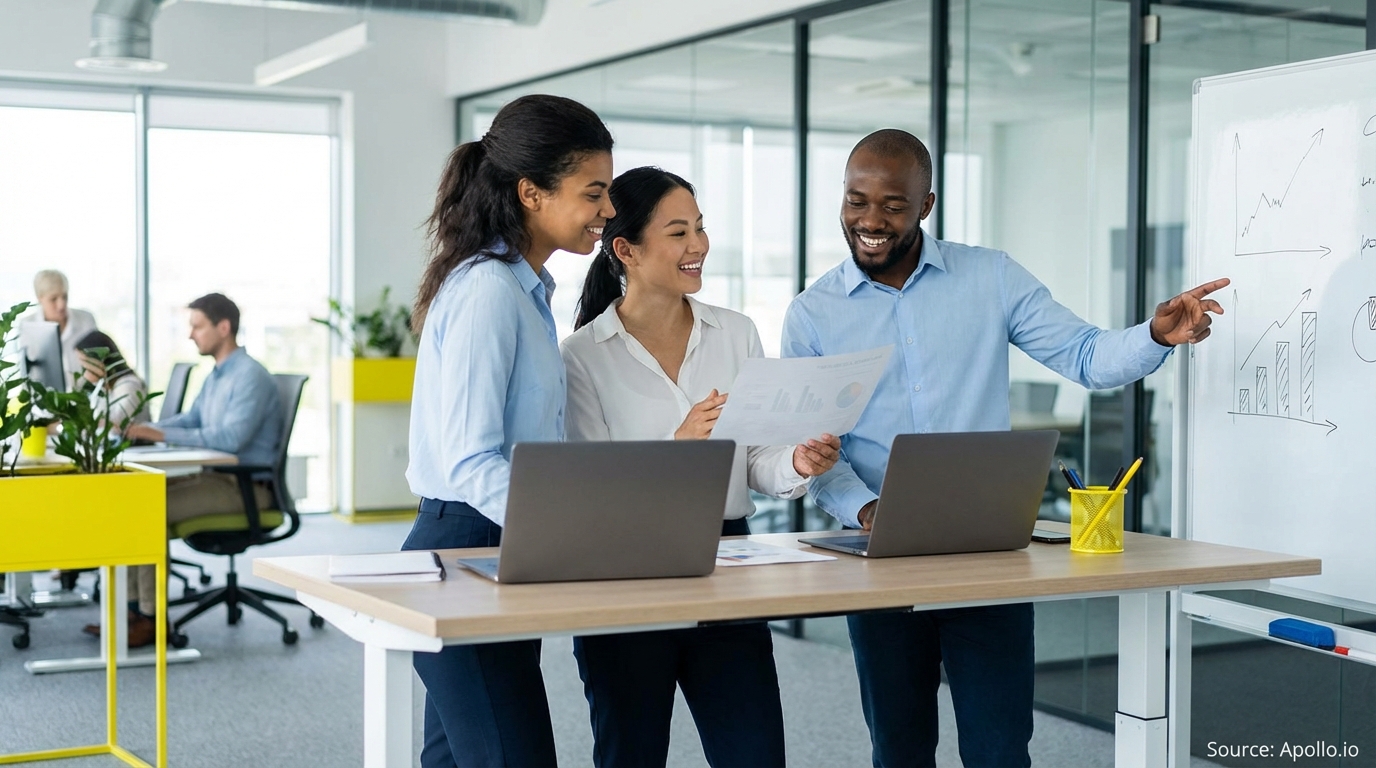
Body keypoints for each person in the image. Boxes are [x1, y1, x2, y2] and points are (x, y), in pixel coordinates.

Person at [781, 129, 1229, 768]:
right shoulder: (812, 314)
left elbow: (1084, 355)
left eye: (892, 205)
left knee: (999, 747)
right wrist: (868, 508)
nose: (870, 221)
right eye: (856, 201)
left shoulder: (989, 276)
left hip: (986, 555)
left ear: (926, 205)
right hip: (879, 561)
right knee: (899, 747)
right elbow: (817, 452)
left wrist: (1154, 335)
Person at [561, 167, 842, 768]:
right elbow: (591, 494)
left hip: (726, 563)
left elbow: (755, 461)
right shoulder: (582, 356)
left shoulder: (735, 333)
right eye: (678, 232)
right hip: (625, 576)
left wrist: (795, 461)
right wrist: (680, 442)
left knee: (755, 751)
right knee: (630, 753)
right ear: (625, 250)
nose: (699, 247)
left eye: (702, 229)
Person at [404, 94, 615, 768]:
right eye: (594, 192)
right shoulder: (489, 291)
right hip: (464, 542)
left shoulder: (524, 290)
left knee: (457, 755)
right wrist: (566, 535)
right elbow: (470, 461)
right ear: (531, 193)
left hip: (496, 541)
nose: (607, 212)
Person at [121, 293, 282, 647]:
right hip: (215, 479)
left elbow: (230, 438)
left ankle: (150, 620)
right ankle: (132, 613)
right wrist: (149, 431)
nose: (191, 335)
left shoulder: (249, 376)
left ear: (223, 328)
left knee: (147, 510)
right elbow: (193, 419)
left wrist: (160, 433)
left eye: (197, 326)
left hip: (244, 489)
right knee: (134, 499)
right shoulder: (218, 375)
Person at [23, 269, 97, 388]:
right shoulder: (28, 326)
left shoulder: (86, 320)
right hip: (46, 401)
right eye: (53, 299)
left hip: (85, 399)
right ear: (39, 298)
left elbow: (97, 365)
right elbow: (27, 375)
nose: (61, 305)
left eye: (65, 296)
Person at [72, 330, 150, 428]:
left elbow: (115, 425)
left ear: (99, 360)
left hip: (135, 443)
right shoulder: (104, 387)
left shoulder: (129, 385)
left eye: (84, 363)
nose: (82, 370)